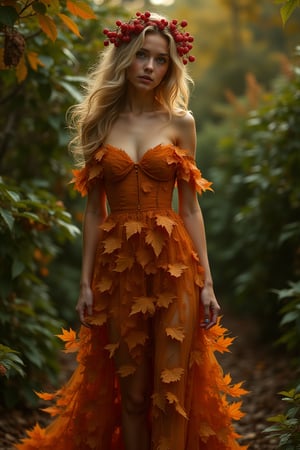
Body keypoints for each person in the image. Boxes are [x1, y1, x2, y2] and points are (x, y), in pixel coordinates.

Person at [16, 11, 248, 450]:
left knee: (170, 390)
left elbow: (192, 208)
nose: (149, 67)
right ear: (124, 57)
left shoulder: (182, 123)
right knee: (136, 396)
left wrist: (208, 283)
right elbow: (92, 211)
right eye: (141, 55)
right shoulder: (98, 123)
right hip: (117, 268)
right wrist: (85, 283)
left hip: (176, 265)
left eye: (160, 60)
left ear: (170, 67)